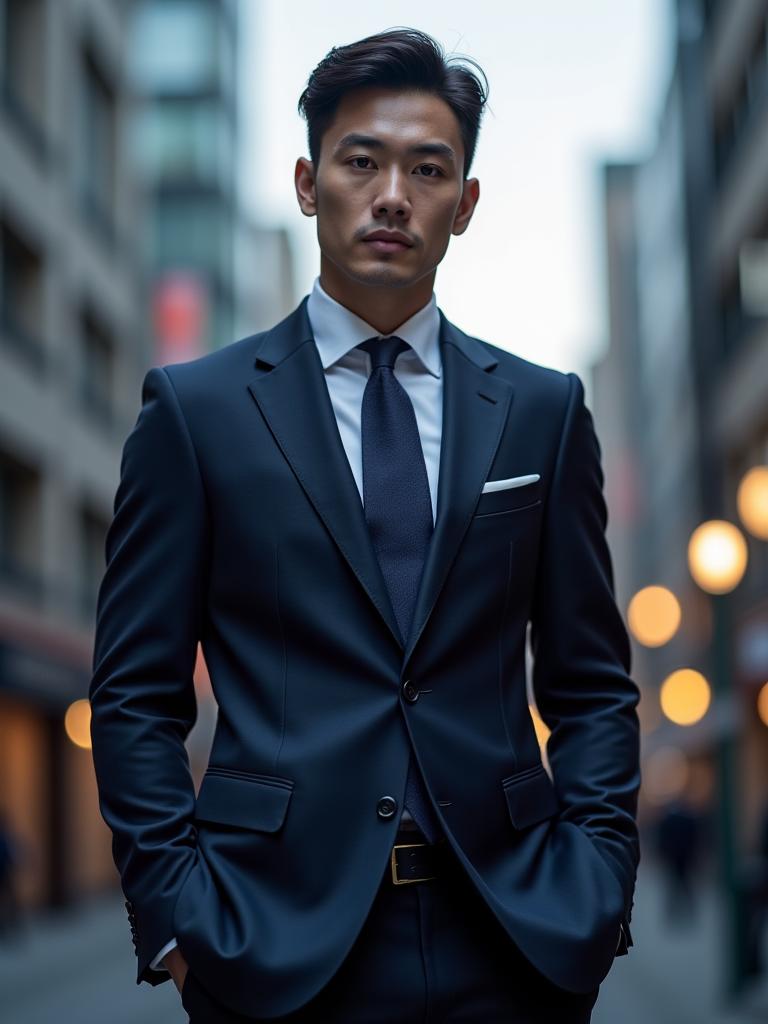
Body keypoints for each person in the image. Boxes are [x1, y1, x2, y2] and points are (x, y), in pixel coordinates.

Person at [89, 27, 640, 1023]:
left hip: (514, 935)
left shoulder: (544, 409)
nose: (394, 193)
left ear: (465, 204)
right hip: (276, 943)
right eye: (361, 161)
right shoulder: (196, 412)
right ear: (309, 183)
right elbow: (134, 694)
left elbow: (591, 682)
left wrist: (598, 883)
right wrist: (177, 922)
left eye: (428, 169)